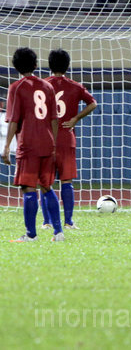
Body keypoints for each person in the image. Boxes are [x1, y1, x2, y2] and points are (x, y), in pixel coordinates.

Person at [3, 48, 64, 242]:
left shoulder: (16, 87)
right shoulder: (47, 86)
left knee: (28, 188)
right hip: (47, 143)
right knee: (46, 186)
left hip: (28, 144)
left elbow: (13, 120)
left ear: (15, 66)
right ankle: (59, 232)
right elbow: (54, 119)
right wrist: (53, 144)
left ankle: (31, 235)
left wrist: (6, 146)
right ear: (36, 64)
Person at [39, 49, 97, 230]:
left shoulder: (42, 85)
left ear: (50, 65)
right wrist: (75, 119)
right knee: (67, 181)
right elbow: (93, 103)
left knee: (45, 182)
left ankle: (47, 222)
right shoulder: (75, 86)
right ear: (67, 65)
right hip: (66, 136)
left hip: (46, 137)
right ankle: (69, 221)